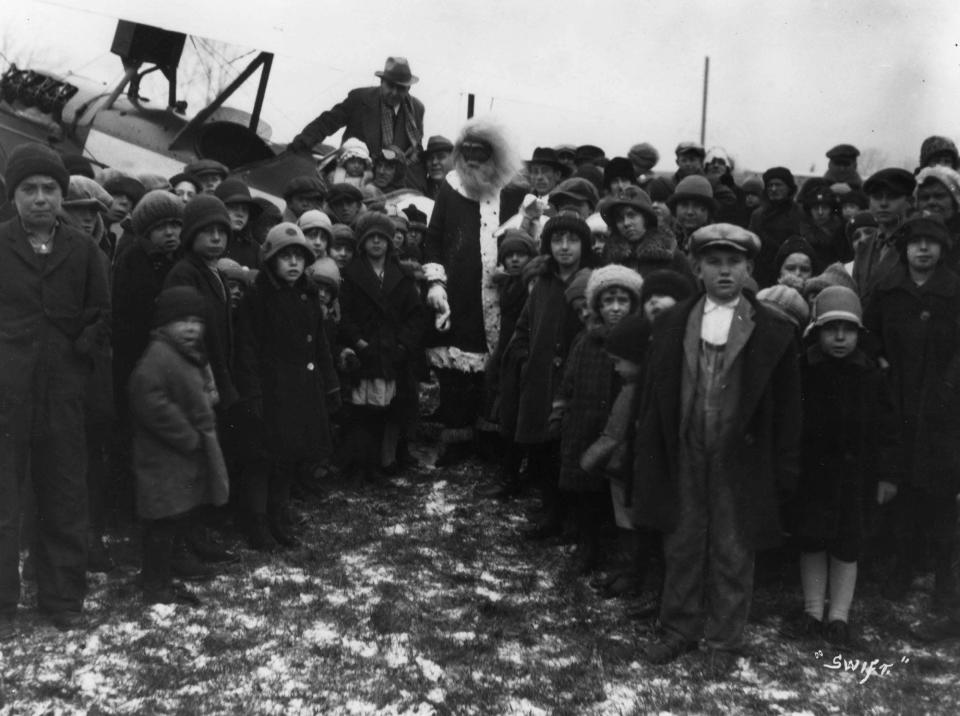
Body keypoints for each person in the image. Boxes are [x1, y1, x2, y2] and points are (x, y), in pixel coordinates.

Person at [635, 223, 801, 678]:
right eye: (714, 262)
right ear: (697, 267)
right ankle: (678, 629)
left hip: (738, 457)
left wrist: (783, 469)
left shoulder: (774, 329)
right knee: (683, 540)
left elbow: (788, 410)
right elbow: (653, 398)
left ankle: (725, 640)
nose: (724, 271)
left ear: (749, 268)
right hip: (686, 450)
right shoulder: (673, 322)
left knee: (732, 547)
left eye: (734, 262)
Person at [0, 143, 111, 638]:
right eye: (29, 190)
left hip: (63, 393)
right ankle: (3, 603)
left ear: (62, 196)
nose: (40, 199)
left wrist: (78, 352)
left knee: (64, 495)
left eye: (49, 189)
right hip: (6, 395)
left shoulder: (83, 250)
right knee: (3, 501)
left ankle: (62, 598)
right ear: (13, 196)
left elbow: (101, 314)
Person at [781, 286, 899, 646]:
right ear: (816, 332)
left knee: (847, 544)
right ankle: (813, 611)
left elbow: (888, 430)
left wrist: (887, 475)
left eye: (847, 331)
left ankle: (839, 617)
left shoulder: (871, 376)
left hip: (855, 478)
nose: (839, 338)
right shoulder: (804, 372)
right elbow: (789, 423)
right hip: (813, 476)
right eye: (831, 329)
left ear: (858, 335)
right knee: (812, 540)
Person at [863, 214, 960, 608]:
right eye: (916, 242)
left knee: (939, 492)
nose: (923, 249)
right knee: (901, 487)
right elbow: (868, 336)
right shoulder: (888, 290)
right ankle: (902, 568)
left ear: (942, 249)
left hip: (943, 406)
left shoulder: (954, 291)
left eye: (931, 242)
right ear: (904, 248)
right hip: (897, 401)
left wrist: (950, 384)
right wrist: (880, 364)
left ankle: (943, 579)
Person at [421, 116, 522, 466]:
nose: (472, 162)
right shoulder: (450, 187)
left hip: (500, 294)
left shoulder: (512, 190)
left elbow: (524, 236)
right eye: (466, 154)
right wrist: (436, 281)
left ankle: (490, 439)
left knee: (494, 368)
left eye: (479, 155)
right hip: (460, 294)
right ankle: (457, 438)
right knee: (456, 370)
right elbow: (433, 239)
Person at [233, 223, 340, 548]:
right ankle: (257, 522)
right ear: (271, 260)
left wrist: (330, 383)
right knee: (263, 459)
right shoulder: (258, 297)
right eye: (285, 257)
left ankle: (279, 514)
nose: (293, 263)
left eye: (299, 256)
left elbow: (319, 343)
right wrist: (252, 393)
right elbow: (247, 349)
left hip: (301, 389)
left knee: (289, 456)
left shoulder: (307, 293)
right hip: (271, 391)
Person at [129, 286, 229, 604]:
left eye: (196, 321)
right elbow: (148, 399)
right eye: (182, 321)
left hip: (177, 459)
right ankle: (155, 585)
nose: (191, 328)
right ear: (164, 323)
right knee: (162, 521)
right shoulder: (159, 355)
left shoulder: (185, 353)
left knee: (172, 518)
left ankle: (157, 576)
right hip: (162, 457)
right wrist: (186, 434)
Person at [553, 264, 644, 573]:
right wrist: (561, 412)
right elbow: (568, 379)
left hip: (620, 432)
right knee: (586, 492)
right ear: (596, 305)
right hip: (585, 424)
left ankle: (625, 559)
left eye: (623, 300)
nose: (615, 308)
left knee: (620, 496)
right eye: (608, 301)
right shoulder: (586, 341)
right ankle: (587, 547)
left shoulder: (639, 341)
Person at [510, 216, 595, 539]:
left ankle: (575, 520)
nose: (564, 247)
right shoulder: (543, 283)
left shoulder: (592, 281)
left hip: (577, 383)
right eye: (557, 240)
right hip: (541, 380)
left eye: (572, 240)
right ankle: (550, 512)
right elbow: (523, 326)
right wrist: (526, 360)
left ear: (583, 245)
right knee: (544, 451)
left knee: (571, 449)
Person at [337, 213, 424, 482]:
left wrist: (403, 345)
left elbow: (415, 315)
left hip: (392, 352)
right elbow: (345, 314)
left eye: (382, 238)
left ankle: (381, 463)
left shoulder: (402, 276)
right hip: (365, 351)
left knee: (387, 409)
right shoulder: (350, 275)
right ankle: (358, 465)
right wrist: (358, 341)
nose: (376, 243)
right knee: (360, 411)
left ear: (389, 242)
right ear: (362, 242)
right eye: (370, 238)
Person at [289, 57, 426, 192]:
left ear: (408, 88)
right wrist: (301, 144)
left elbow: (416, 149)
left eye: (401, 88)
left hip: (392, 187)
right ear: (382, 82)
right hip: (354, 180)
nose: (394, 93)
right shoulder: (359, 98)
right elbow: (327, 122)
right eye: (390, 86)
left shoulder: (416, 109)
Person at [851, 168, 916, 310]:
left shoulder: (916, 244)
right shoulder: (864, 245)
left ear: (910, 201)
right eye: (876, 196)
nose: (883, 203)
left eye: (892, 196)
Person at [599, 185, 691, 278]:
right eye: (619, 219)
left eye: (632, 215)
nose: (626, 223)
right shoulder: (609, 260)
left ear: (646, 218)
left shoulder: (671, 255)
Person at [748, 167, 814, 288]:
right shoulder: (757, 215)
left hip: (793, 273)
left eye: (778, 185)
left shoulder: (800, 213)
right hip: (763, 274)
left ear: (789, 188)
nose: (773, 189)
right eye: (770, 185)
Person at [215, 178, 263, 270]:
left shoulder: (255, 250)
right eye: (233, 207)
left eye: (245, 209)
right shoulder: (207, 241)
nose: (240, 214)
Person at [667, 175, 718, 250]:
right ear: (675, 209)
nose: (690, 212)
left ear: (708, 211)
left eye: (697, 205)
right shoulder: (665, 243)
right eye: (684, 205)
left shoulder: (718, 245)